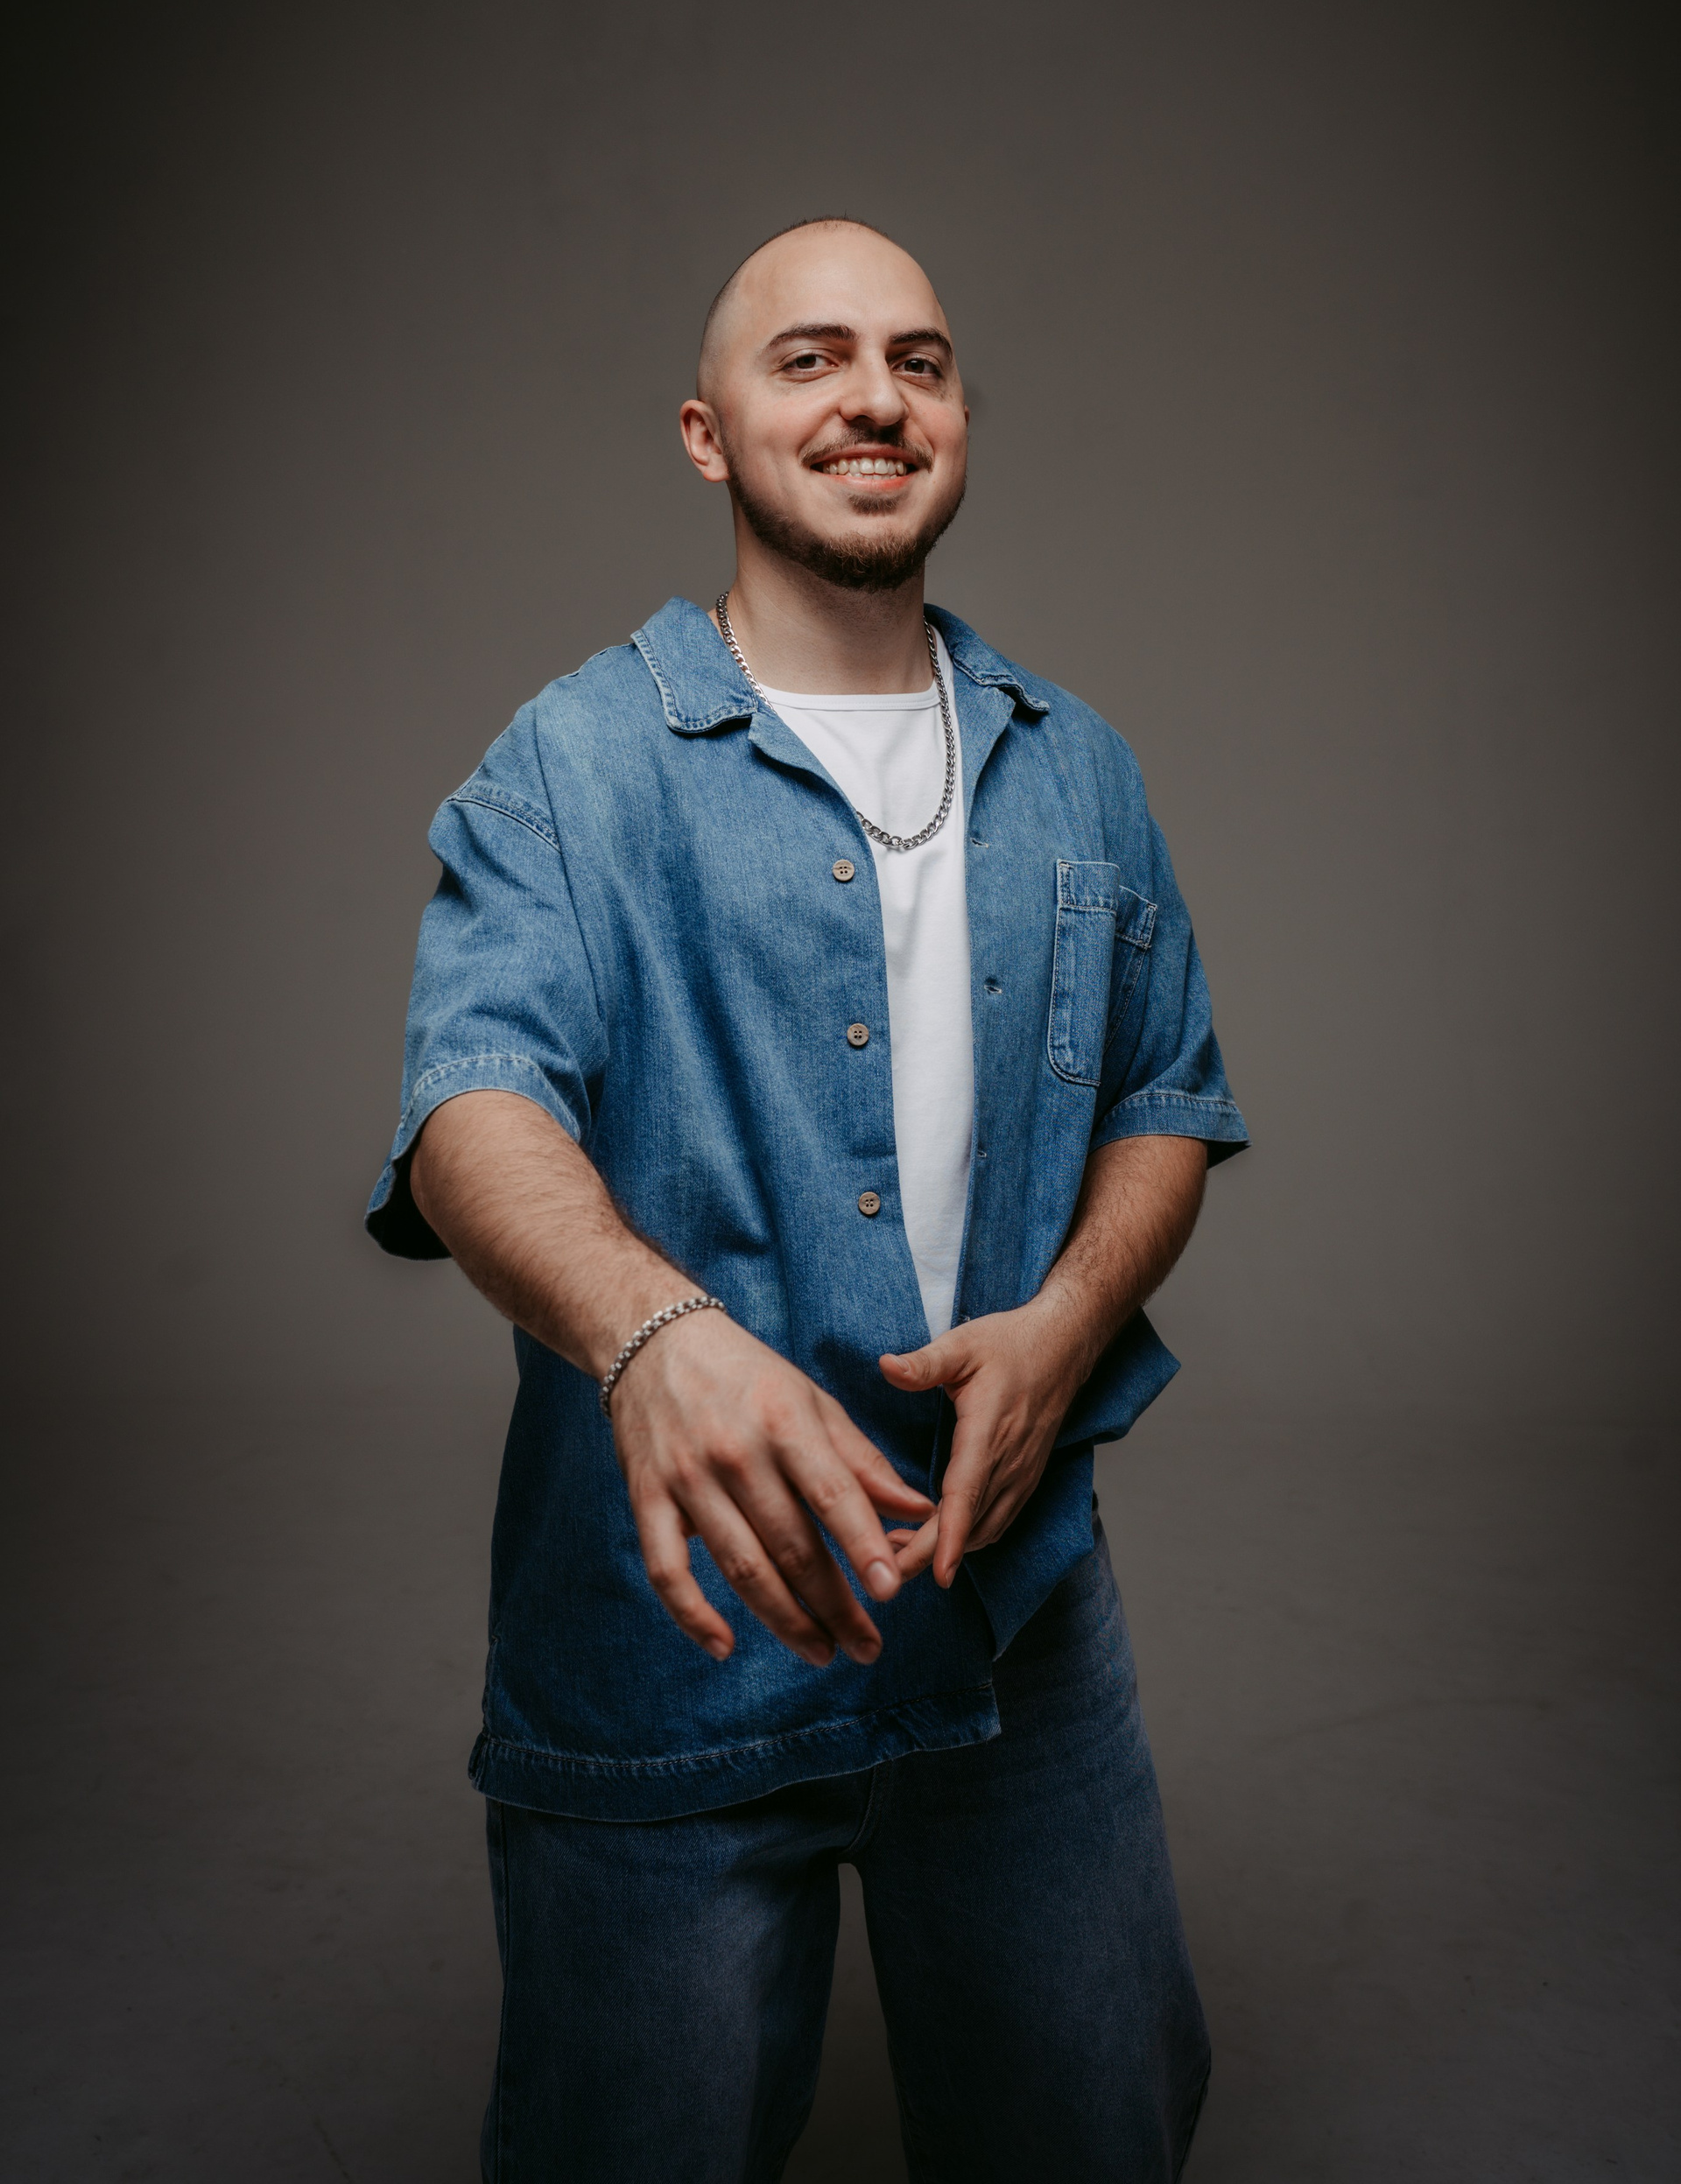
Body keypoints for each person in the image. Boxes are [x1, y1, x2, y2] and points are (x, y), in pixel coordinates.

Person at [367, 216, 1248, 2183]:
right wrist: (649, 1332)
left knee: (1097, 2133)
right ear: (708, 435)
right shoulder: (571, 766)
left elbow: (1166, 1099)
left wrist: (1073, 1320)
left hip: (1008, 1618)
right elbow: (467, 1107)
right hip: (672, 1644)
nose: (875, 398)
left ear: (956, 421)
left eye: (918, 361)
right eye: (812, 358)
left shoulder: (1081, 772)